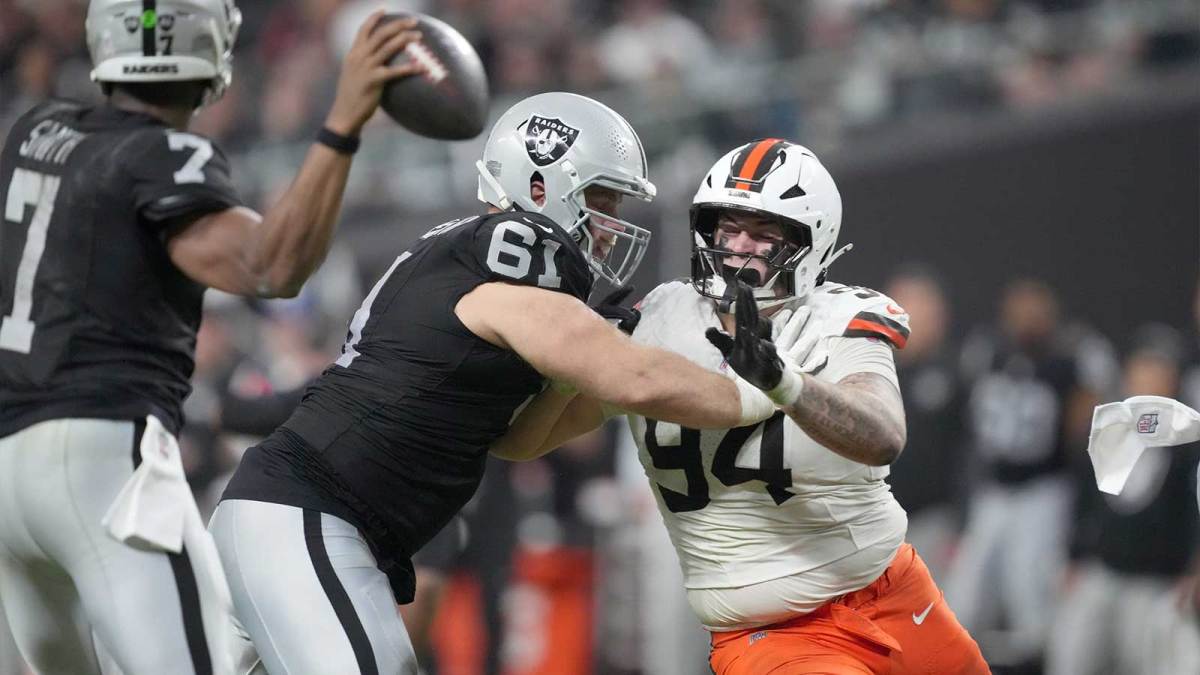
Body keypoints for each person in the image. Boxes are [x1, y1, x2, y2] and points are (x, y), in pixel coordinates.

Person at [209, 92, 778, 675]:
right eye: (600, 201)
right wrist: (767, 395)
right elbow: (632, 376)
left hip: (293, 519)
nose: (611, 227)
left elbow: (518, 441)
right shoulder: (516, 250)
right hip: (309, 516)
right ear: (540, 189)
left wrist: (574, 376)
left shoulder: (472, 256)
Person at [0, 1, 425, 672]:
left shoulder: (34, 131)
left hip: (7, 472)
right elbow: (271, 264)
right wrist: (343, 124)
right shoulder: (164, 155)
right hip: (105, 461)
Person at [503, 138, 989, 674]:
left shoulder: (834, 318)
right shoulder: (659, 321)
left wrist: (787, 384)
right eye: (728, 229)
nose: (738, 248)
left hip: (892, 590)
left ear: (812, 241)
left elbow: (883, 435)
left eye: (763, 234)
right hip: (768, 631)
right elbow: (526, 442)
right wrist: (576, 365)